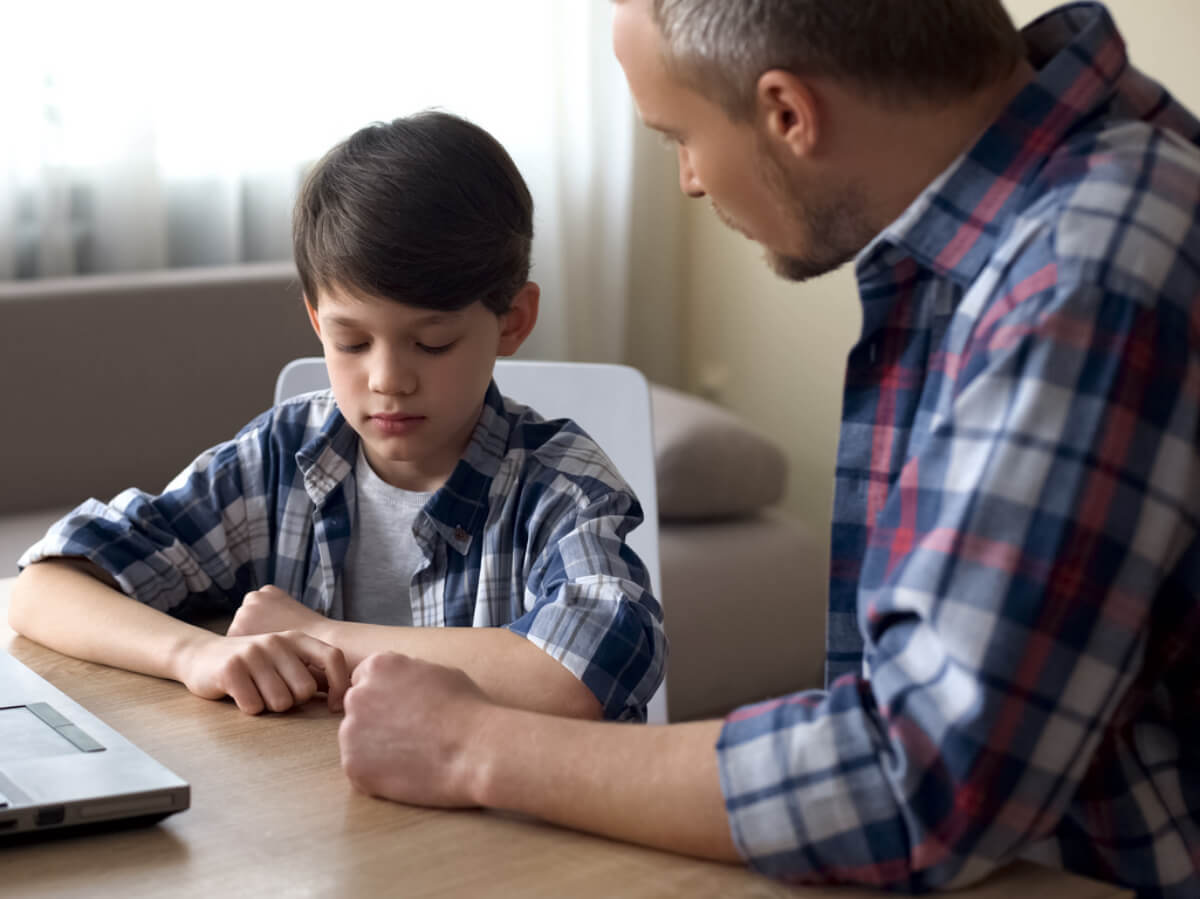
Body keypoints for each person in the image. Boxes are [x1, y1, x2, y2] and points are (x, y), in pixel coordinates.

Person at [334, 2, 1200, 896]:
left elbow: (918, 777)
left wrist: (471, 744)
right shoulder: (1041, 218)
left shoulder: (1086, 273)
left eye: (679, 136)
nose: (689, 182)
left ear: (788, 113)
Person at [8, 110, 666, 725]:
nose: (387, 379)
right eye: (351, 342)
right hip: (316, 802)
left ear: (512, 321)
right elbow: (44, 586)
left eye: (432, 343)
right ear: (317, 321)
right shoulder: (280, 456)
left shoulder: (560, 485)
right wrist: (196, 654)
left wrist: (320, 636)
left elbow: (583, 673)